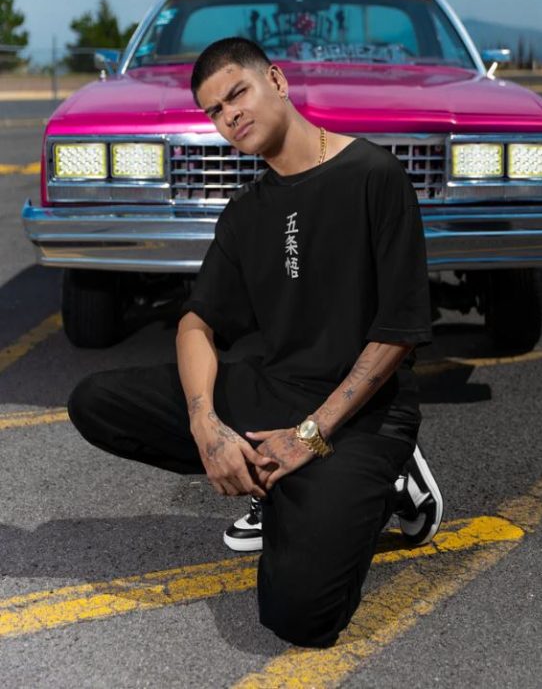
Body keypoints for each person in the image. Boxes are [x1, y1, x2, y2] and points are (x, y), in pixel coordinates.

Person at [68, 37, 443, 649]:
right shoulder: (246, 211)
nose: (230, 116)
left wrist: (310, 435)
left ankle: (389, 485)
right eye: (214, 110)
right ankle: (276, 484)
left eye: (237, 93)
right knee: (95, 401)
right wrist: (206, 427)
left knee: (301, 618)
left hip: (363, 417)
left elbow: (398, 333)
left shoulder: (373, 174)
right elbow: (196, 324)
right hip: (275, 392)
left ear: (277, 81)